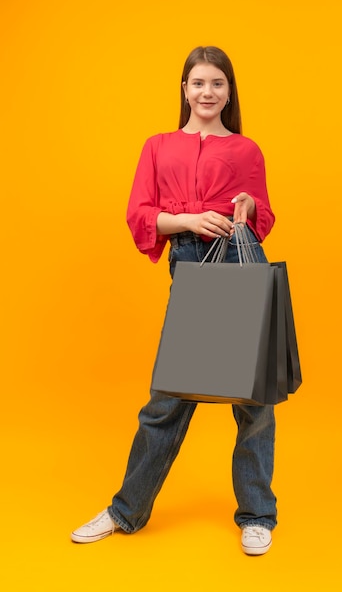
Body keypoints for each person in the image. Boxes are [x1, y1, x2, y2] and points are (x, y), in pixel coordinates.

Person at [71, 46, 277, 556]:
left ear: (230, 92)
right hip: (190, 265)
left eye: (217, 84)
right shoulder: (158, 146)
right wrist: (187, 220)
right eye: (198, 83)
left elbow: (263, 217)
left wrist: (246, 209)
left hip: (236, 263)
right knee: (167, 401)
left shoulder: (248, 150)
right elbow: (140, 214)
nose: (207, 93)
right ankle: (125, 511)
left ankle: (257, 515)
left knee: (254, 402)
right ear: (184, 89)